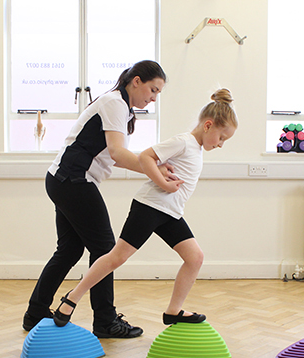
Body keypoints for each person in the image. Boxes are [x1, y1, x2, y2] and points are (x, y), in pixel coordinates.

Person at [52, 88, 238, 327]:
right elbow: (146, 157)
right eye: (222, 137)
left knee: (195, 258)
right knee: (116, 257)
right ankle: (71, 298)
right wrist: (163, 183)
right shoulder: (183, 141)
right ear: (208, 125)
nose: (221, 144)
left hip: (170, 213)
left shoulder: (196, 148)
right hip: (149, 207)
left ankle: (173, 311)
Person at [23, 60, 175, 338]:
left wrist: (153, 168)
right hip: (72, 181)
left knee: (69, 250)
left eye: (158, 94)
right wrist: (156, 170)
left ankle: (35, 314)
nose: (153, 99)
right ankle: (105, 321)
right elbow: (117, 153)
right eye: (152, 90)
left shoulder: (121, 108)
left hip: (63, 180)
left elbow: (113, 157)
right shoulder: (115, 103)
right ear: (137, 81)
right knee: (106, 249)